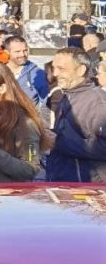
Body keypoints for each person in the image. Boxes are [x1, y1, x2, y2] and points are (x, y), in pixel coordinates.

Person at [45, 47, 106, 183]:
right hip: (66, 185)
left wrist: (58, 142)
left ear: (81, 70)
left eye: (61, 69)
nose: (55, 73)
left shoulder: (97, 103)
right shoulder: (67, 96)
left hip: (88, 190)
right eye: (54, 68)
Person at [4, 35, 48, 106]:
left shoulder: (38, 74)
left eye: (25, 50)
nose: (22, 54)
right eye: (17, 51)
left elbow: (46, 103)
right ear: (7, 52)